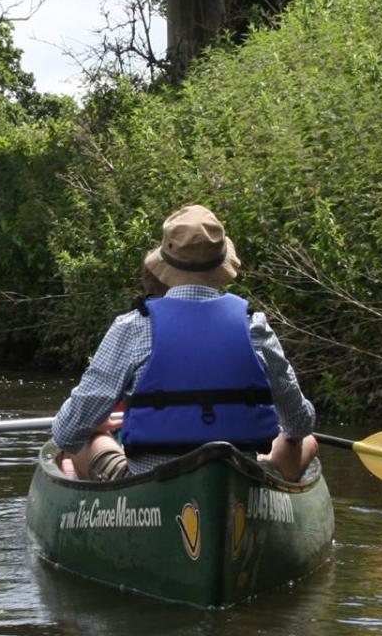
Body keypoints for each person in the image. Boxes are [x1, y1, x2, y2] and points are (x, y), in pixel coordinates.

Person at [51, 205, 320, 482]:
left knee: (84, 441)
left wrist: (96, 426)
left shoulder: (132, 326)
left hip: (152, 485)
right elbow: (300, 423)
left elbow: (67, 434)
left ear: (165, 264)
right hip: (237, 479)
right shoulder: (255, 325)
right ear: (221, 263)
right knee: (305, 440)